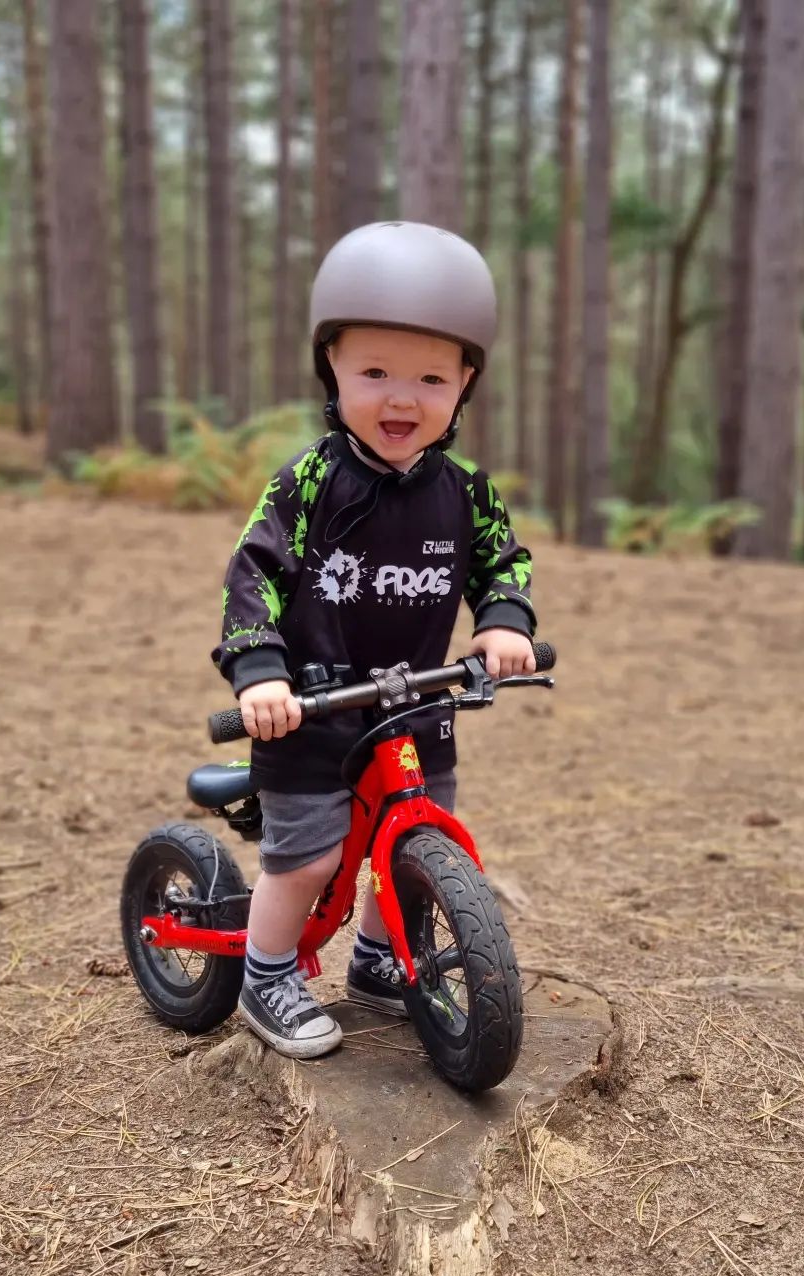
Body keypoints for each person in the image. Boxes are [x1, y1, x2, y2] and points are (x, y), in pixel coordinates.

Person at [211, 221, 537, 1060]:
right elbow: (253, 574)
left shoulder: (467, 493)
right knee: (309, 859)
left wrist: (503, 620)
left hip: (417, 711)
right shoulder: (309, 482)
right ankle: (267, 972)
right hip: (314, 715)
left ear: (466, 383)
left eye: (432, 376)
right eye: (376, 372)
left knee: (412, 836)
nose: (403, 398)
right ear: (334, 369)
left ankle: (376, 958)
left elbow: (505, 564)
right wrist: (259, 676)